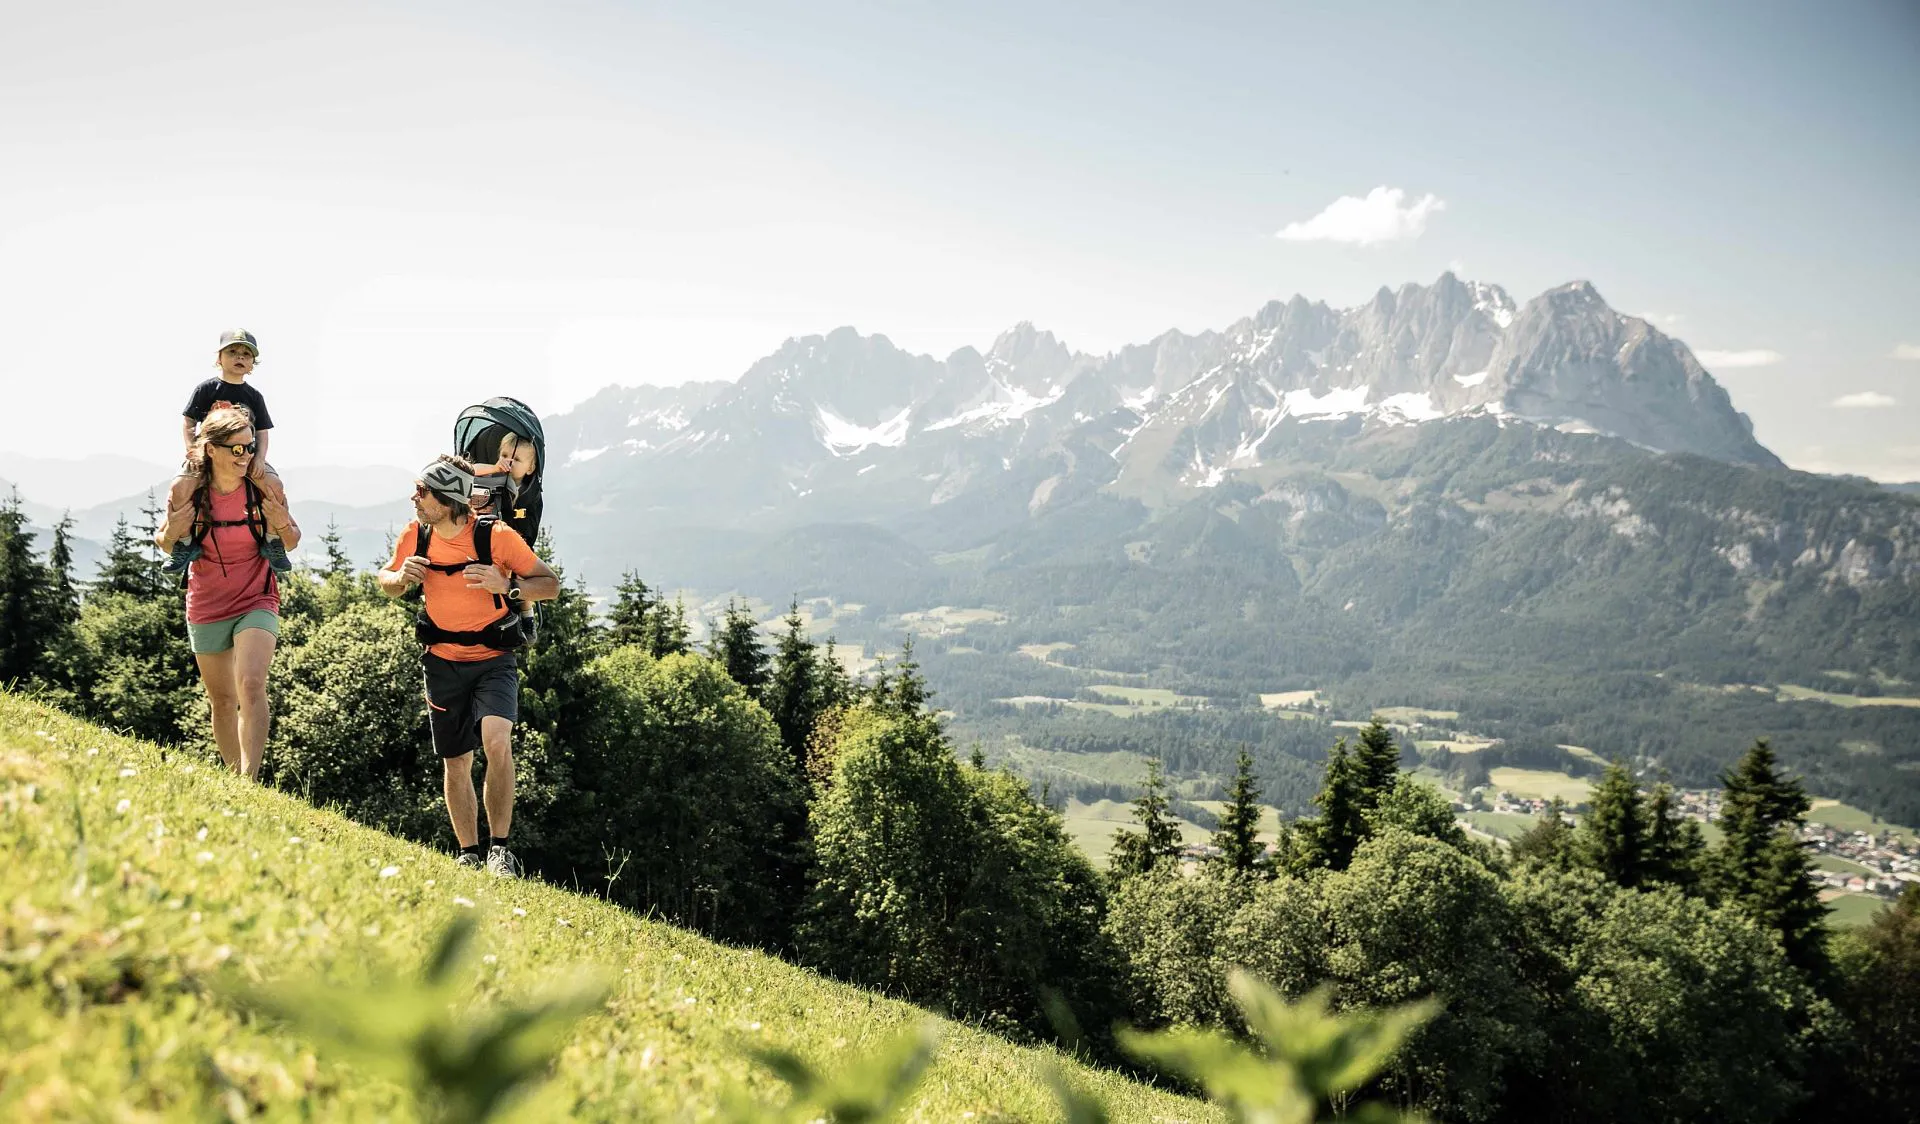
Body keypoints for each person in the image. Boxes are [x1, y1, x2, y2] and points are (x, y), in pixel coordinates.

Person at [377, 455, 558, 877]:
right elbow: (385, 581)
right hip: (441, 662)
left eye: (422, 492)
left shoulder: (496, 537)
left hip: (494, 659)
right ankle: (469, 853)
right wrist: (402, 576)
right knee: (456, 761)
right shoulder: (415, 535)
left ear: (447, 498)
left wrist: (509, 585)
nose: (414, 498)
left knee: (497, 742)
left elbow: (549, 585)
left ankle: (500, 850)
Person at [154, 406, 301, 779]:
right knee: (222, 700)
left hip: (257, 597)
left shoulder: (261, 487)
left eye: (250, 448)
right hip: (206, 602)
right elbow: (164, 541)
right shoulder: (191, 491)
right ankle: (235, 778)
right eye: (237, 449)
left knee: (251, 682)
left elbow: (294, 540)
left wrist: (282, 524)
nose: (246, 456)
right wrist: (173, 531)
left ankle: (250, 780)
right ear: (211, 449)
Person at [166, 330, 292, 574]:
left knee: (274, 485)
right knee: (180, 488)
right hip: (206, 454)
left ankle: (273, 540)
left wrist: (260, 458)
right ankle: (183, 543)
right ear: (219, 358)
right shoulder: (206, 389)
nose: (239, 357)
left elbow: (263, 431)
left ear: (252, 364)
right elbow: (188, 421)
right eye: (232, 351)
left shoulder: (254, 396)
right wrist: (191, 448)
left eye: (246, 354)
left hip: (246, 456)